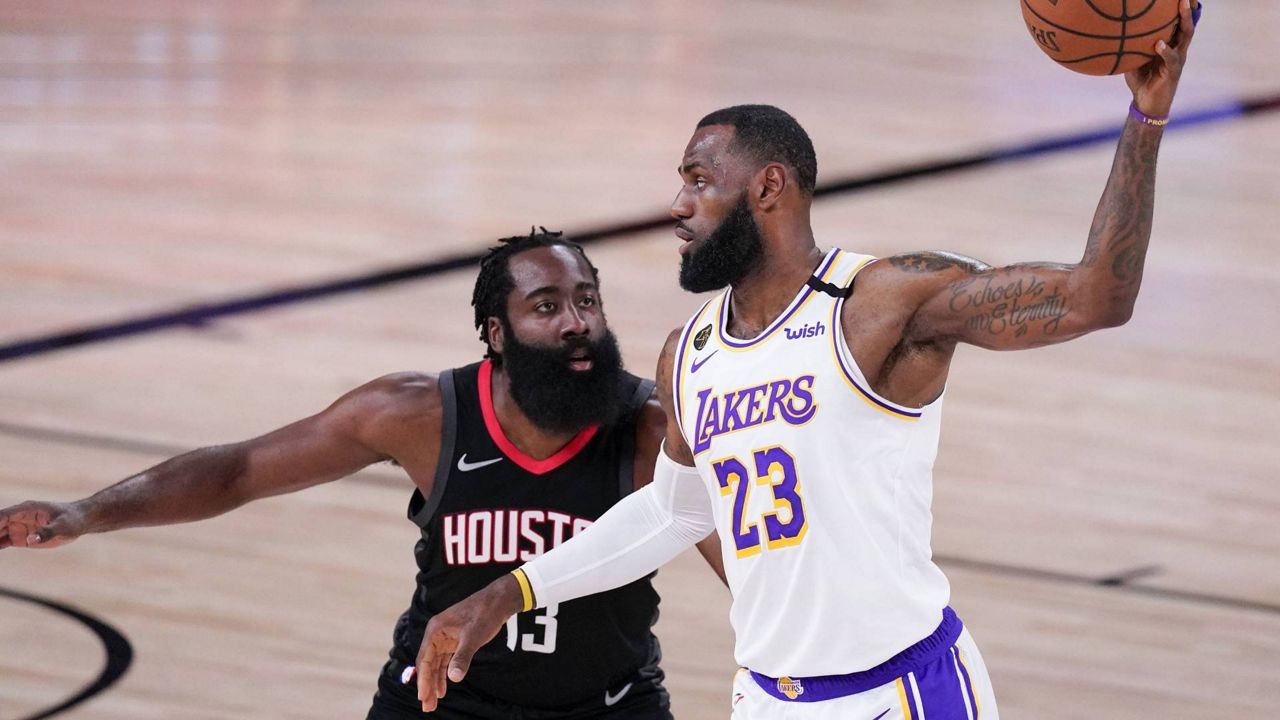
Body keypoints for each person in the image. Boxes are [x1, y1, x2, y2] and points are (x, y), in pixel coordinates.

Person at [413, 3, 1199, 717]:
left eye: (697, 180)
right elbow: (676, 511)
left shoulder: (882, 302)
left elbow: (1097, 296)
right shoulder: (689, 353)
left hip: (904, 693)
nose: (678, 206)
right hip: (765, 699)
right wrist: (509, 593)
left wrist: (1146, 118)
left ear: (769, 187)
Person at [0, 230, 725, 720]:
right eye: (547, 307)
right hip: (441, 701)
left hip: (607, 703)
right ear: (496, 334)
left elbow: (753, 559)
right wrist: (86, 512)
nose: (577, 323)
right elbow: (240, 470)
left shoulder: (651, 425)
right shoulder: (421, 414)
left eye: (587, 301)